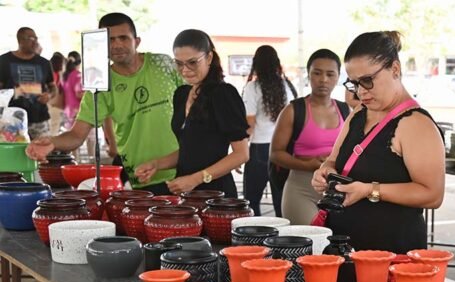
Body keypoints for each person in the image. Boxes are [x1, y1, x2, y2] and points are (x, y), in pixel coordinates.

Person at [311, 31, 445, 253]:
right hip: (343, 246)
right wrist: (325, 170)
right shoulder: (358, 114)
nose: (361, 92)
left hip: (391, 251)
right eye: (354, 84)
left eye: (367, 81)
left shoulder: (416, 124)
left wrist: (370, 191)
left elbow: (432, 194)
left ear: (395, 69)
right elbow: (334, 159)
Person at [25, 13, 184, 194]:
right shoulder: (99, 85)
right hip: (143, 176)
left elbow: (195, 101)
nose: (116, 45)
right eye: (110, 40)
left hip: (185, 171)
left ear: (137, 41)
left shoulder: (163, 64)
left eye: (123, 38)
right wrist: (53, 143)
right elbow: (77, 135)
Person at [134, 29, 248, 198]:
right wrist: (157, 164)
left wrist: (196, 179)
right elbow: (191, 150)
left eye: (192, 62)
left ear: (209, 58)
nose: (185, 70)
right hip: (186, 193)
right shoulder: (181, 94)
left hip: (217, 195)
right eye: (179, 63)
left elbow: (241, 154)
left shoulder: (223, 94)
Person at [271, 49, 349, 225]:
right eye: (317, 73)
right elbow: (276, 153)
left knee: (336, 246)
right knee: (307, 245)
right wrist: (307, 164)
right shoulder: (293, 110)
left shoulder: (346, 111)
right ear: (308, 75)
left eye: (330, 74)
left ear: (338, 77)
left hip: (337, 190)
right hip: (300, 188)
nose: (323, 80)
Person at [242, 45, 296, 216]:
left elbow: (250, 123)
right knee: (282, 201)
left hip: (259, 148)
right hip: (284, 149)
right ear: (276, 64)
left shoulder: (253, 88)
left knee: (251, 200)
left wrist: (241, 149)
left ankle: (257, 236)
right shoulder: (287, 87)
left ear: (256, 64)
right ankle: (283, 239)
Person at [0, 27, 56, 140]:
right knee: (14, 154)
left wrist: (49, 95)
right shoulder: (4, 61)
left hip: (40, 119)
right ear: (20, 40)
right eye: (31, 38)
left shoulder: (44, 63)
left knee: (42, 154)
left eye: (36, 38)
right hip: (11, 121)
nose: (35, 42)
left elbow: (53, 87)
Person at [61, 51, 83, 130]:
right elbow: (79, 94)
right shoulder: (78, 75)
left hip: (67, 111)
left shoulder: (64, 76)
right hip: (77, 111)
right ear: (80, 62)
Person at [48, 51, 65, 132]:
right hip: (51, 104)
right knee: (53, 127)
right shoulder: (54, 75)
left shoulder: (56, 74)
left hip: (52, 104)